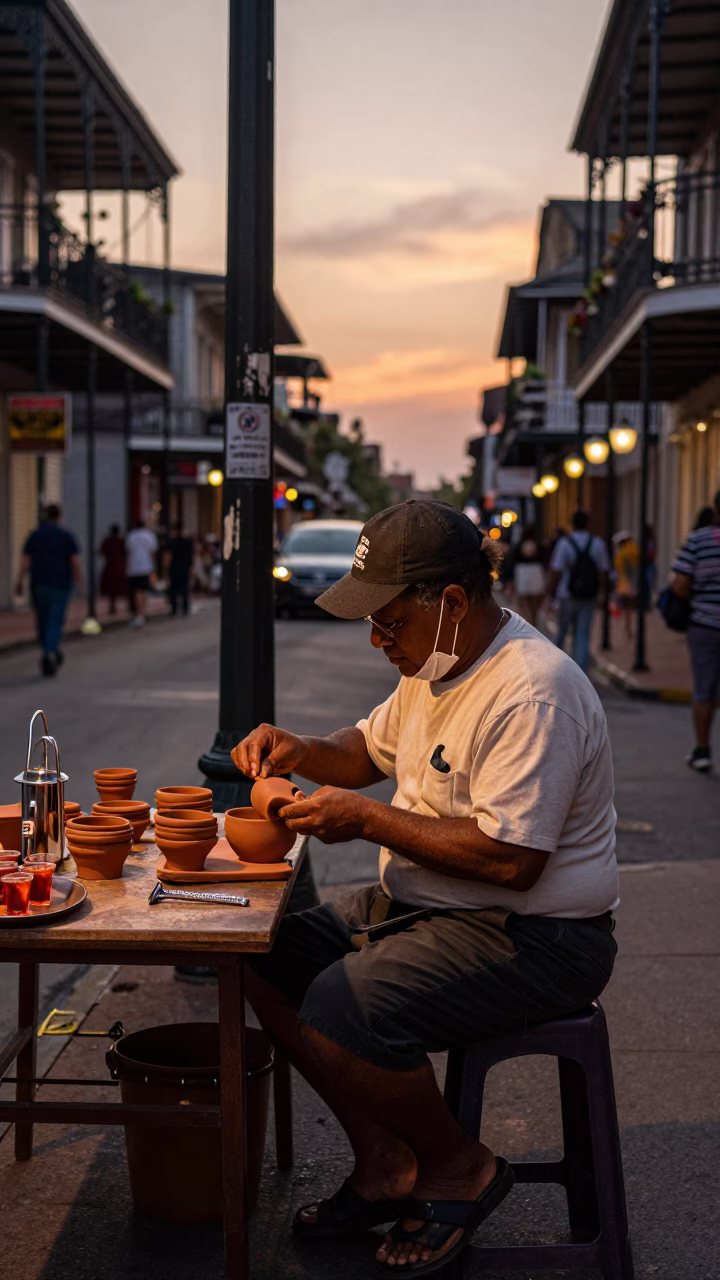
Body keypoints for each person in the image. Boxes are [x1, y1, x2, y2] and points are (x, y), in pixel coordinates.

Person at [234, 499, 618, 1275]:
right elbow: (365, 752)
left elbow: (511, 861)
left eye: (389, 622)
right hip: (429, 906)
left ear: (451, 601)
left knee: (344, 1005)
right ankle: (386, 1162)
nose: (378, 640)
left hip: (538, 934)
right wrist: (300, 748)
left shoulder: (532, 690)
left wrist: (367, 822)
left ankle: (457, 1165)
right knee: (262, 957)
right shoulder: (433, 661)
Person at [671, 490, 720, 771]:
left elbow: (680, 584)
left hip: (704, 625)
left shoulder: (699, 540)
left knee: (704, 688)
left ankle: (702, 750)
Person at [15, 504, 82, 677]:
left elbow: (26, 560)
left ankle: (51, 649)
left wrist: (19, 581)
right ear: (59, 517)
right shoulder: (66, 536)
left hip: (39, 583)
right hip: (60, 583)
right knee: (55, 619)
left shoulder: (35, 535)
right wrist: (78, 580)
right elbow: (75, 561)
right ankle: (49, 653)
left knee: (43, 620)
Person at [548, 510, 609, 673]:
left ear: (572, 524)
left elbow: (556, 571)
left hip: (566, 595)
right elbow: (603, 571)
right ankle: (579, 673)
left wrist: (551, 593)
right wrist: (602, 593)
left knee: (561, 631)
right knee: (583, 635)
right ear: (587, 524)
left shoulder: (564, 544)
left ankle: (554, 668)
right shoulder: (597, 543)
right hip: (588, 596)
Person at [510, 524, 545, 627]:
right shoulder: (538, 545)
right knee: (535, 602)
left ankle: (526, 622)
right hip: (536, 572)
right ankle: (534, 622)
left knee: (524, 602)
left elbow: (513, 559)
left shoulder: (519, 545)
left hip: (522, 572)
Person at [125, 519, 158, 628]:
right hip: (146, 567)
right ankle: (143, 611)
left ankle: (140, 613)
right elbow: (153, 552)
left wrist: (127, 566)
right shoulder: (149, 535)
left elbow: (128, 552)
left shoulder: (131, 536)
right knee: (143, 590)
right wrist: (154, 566)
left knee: (137, 591)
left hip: (134, 568)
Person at [613, 531, 640, 640]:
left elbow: (618, 567)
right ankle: (628, 627)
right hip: (633, 581)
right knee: (629, 607)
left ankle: (627, 627)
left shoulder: (621, 552)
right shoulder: (635, 549)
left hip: (623, 582)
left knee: (625, 606)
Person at [165, 522, 194, 617]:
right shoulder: (187, 542)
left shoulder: (171, 542)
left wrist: (166, 569)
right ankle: (185, 608)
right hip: (184, 567)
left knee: (174, 589)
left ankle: (174, 609)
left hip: (174, 567)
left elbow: (168, 557)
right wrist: (191, 568)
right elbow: (190, 556)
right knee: (184, 588)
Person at [99, 524, 126, 615]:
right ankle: (116, 606)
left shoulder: (110, 541)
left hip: (111, 566)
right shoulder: (120, 541)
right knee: (117, 587)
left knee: (112, 588)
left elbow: (101, 552)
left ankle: (113, 606)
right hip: (119, 566)